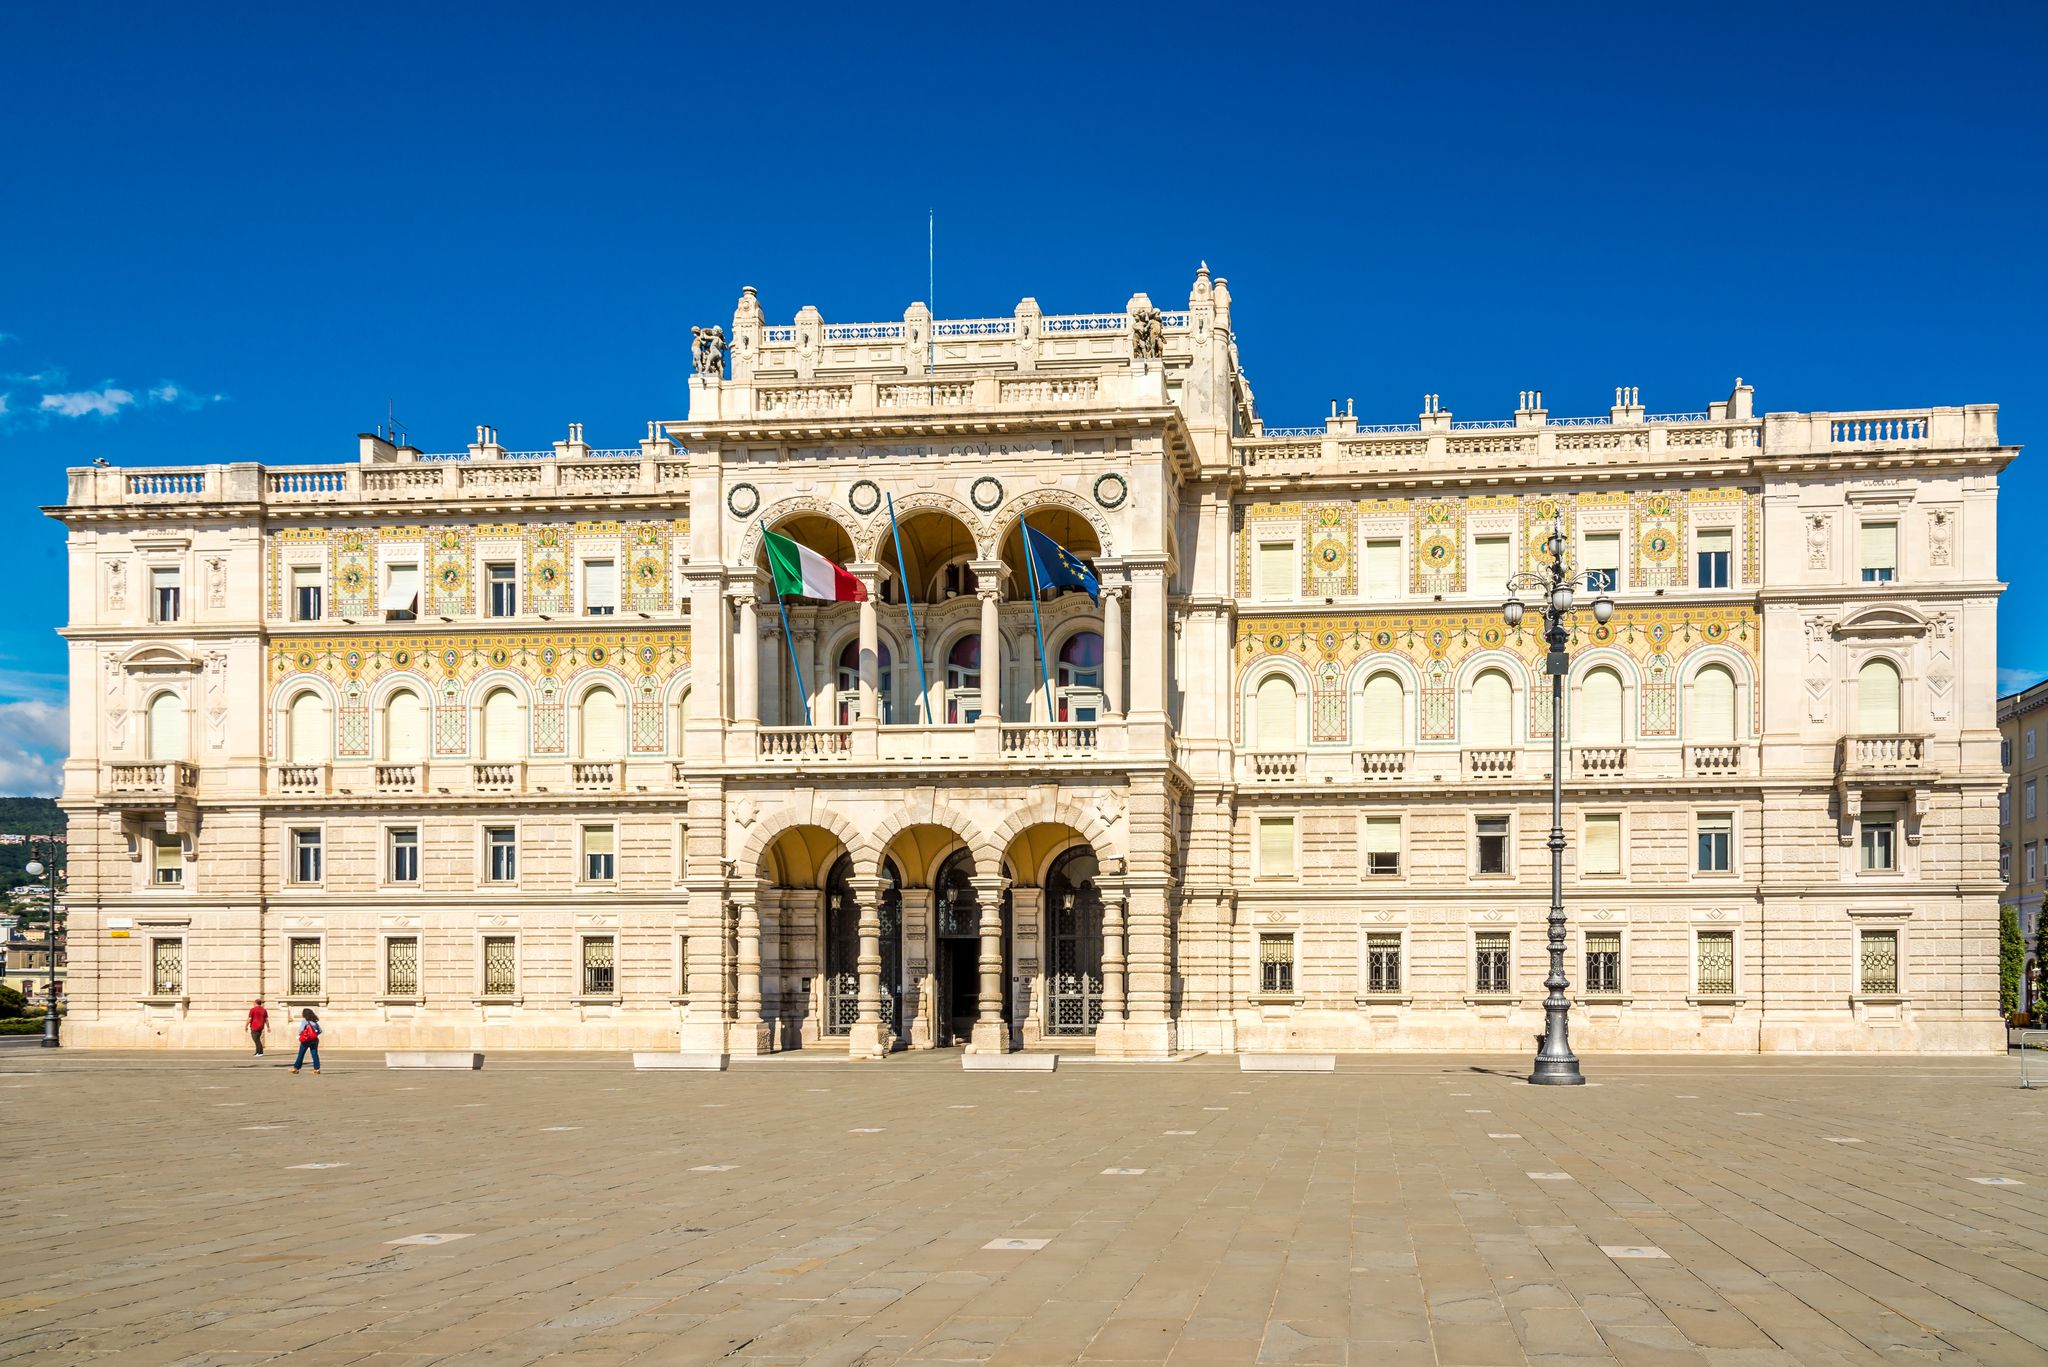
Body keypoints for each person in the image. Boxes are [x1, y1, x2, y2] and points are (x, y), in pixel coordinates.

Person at [291, 1008, 321, 1075]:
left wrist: (300, 1035)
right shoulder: (314, 1021)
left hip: (306, 1040)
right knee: (314, 1054)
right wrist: (314, 1034)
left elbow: (301, 1029)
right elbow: (320, 1030)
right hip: (314, 1040)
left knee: (301, 1054)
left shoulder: (305, 1020)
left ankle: (296, 1068)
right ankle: (317, 1069)